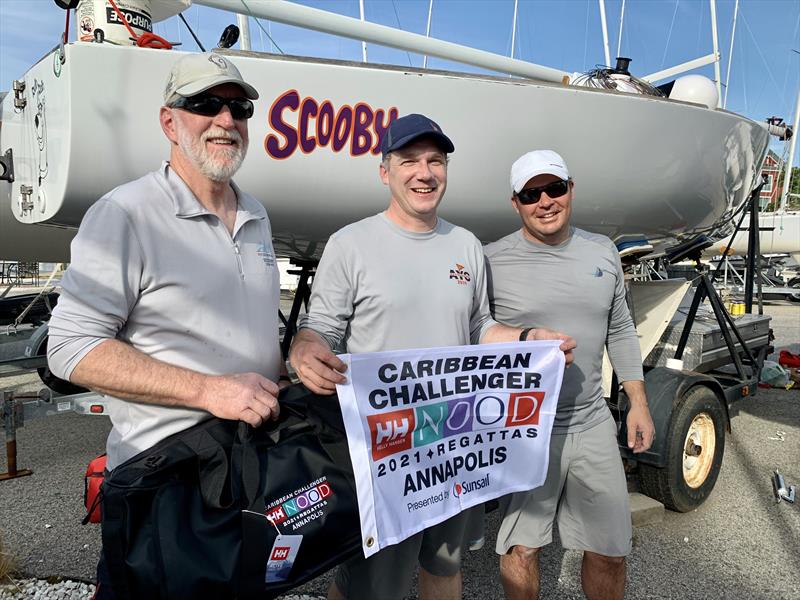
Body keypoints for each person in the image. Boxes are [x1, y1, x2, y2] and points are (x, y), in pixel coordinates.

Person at [288, 115, 576, 600]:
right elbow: (323, 330)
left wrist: (531, 338)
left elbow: (481, 328)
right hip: (385, 453)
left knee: (444, 568)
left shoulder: (465, 245)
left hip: (453, 446)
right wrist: (303, 344)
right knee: (368, 586)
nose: (424, 173)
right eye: (410, 161)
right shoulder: (350, 244)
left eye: (435, 161)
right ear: (385, 171)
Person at [47, 52, 289, 597]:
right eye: (205, 104)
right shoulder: (126, 213)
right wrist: (209, 390)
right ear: (169, 121)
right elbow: (68, 347)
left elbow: (240, 330)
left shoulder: (256, 214)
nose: (226, 121)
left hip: (245, 475)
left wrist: (291, 355)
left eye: (238, 107)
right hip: (167, 489)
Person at [484, 149, 656, 600]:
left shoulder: (602, 251)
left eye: (554, 188)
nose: (545, 201)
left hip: (592, 420)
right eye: (530, 193)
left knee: (610, 551)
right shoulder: (490, 260)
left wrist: (637, 402)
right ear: (515, 202)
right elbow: (470, 332)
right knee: (522, 548)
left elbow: (620, 328)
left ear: (571, 189)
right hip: (525, 428)